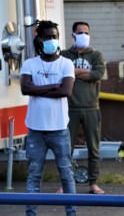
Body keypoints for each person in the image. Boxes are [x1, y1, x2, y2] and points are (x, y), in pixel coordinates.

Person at [20, 20, 76, 216]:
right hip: (35, 130)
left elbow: (66, 91)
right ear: (39, 40)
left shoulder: (66, 63)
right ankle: (31, 213)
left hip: (59, 129)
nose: (52, 40)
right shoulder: (29, 63)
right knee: (34, 174)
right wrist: (53, 86)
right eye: (47, 37)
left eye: (54, 37)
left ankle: (71, 212)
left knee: (66, 174)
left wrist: (38, 89)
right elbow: (25, 88)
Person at [61, 21, 106, 194]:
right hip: (70, 108)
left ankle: (93, 183)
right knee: (66, 148)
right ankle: (65, 183)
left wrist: (74, 72)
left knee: (93, 148)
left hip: (91, 108)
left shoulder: (95, 55)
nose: (84, 36)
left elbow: (98, 74)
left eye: (86, 33)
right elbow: (62, 74)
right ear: (73, 35)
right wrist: (83, 73)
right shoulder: (65, 55)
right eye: (80, 33)